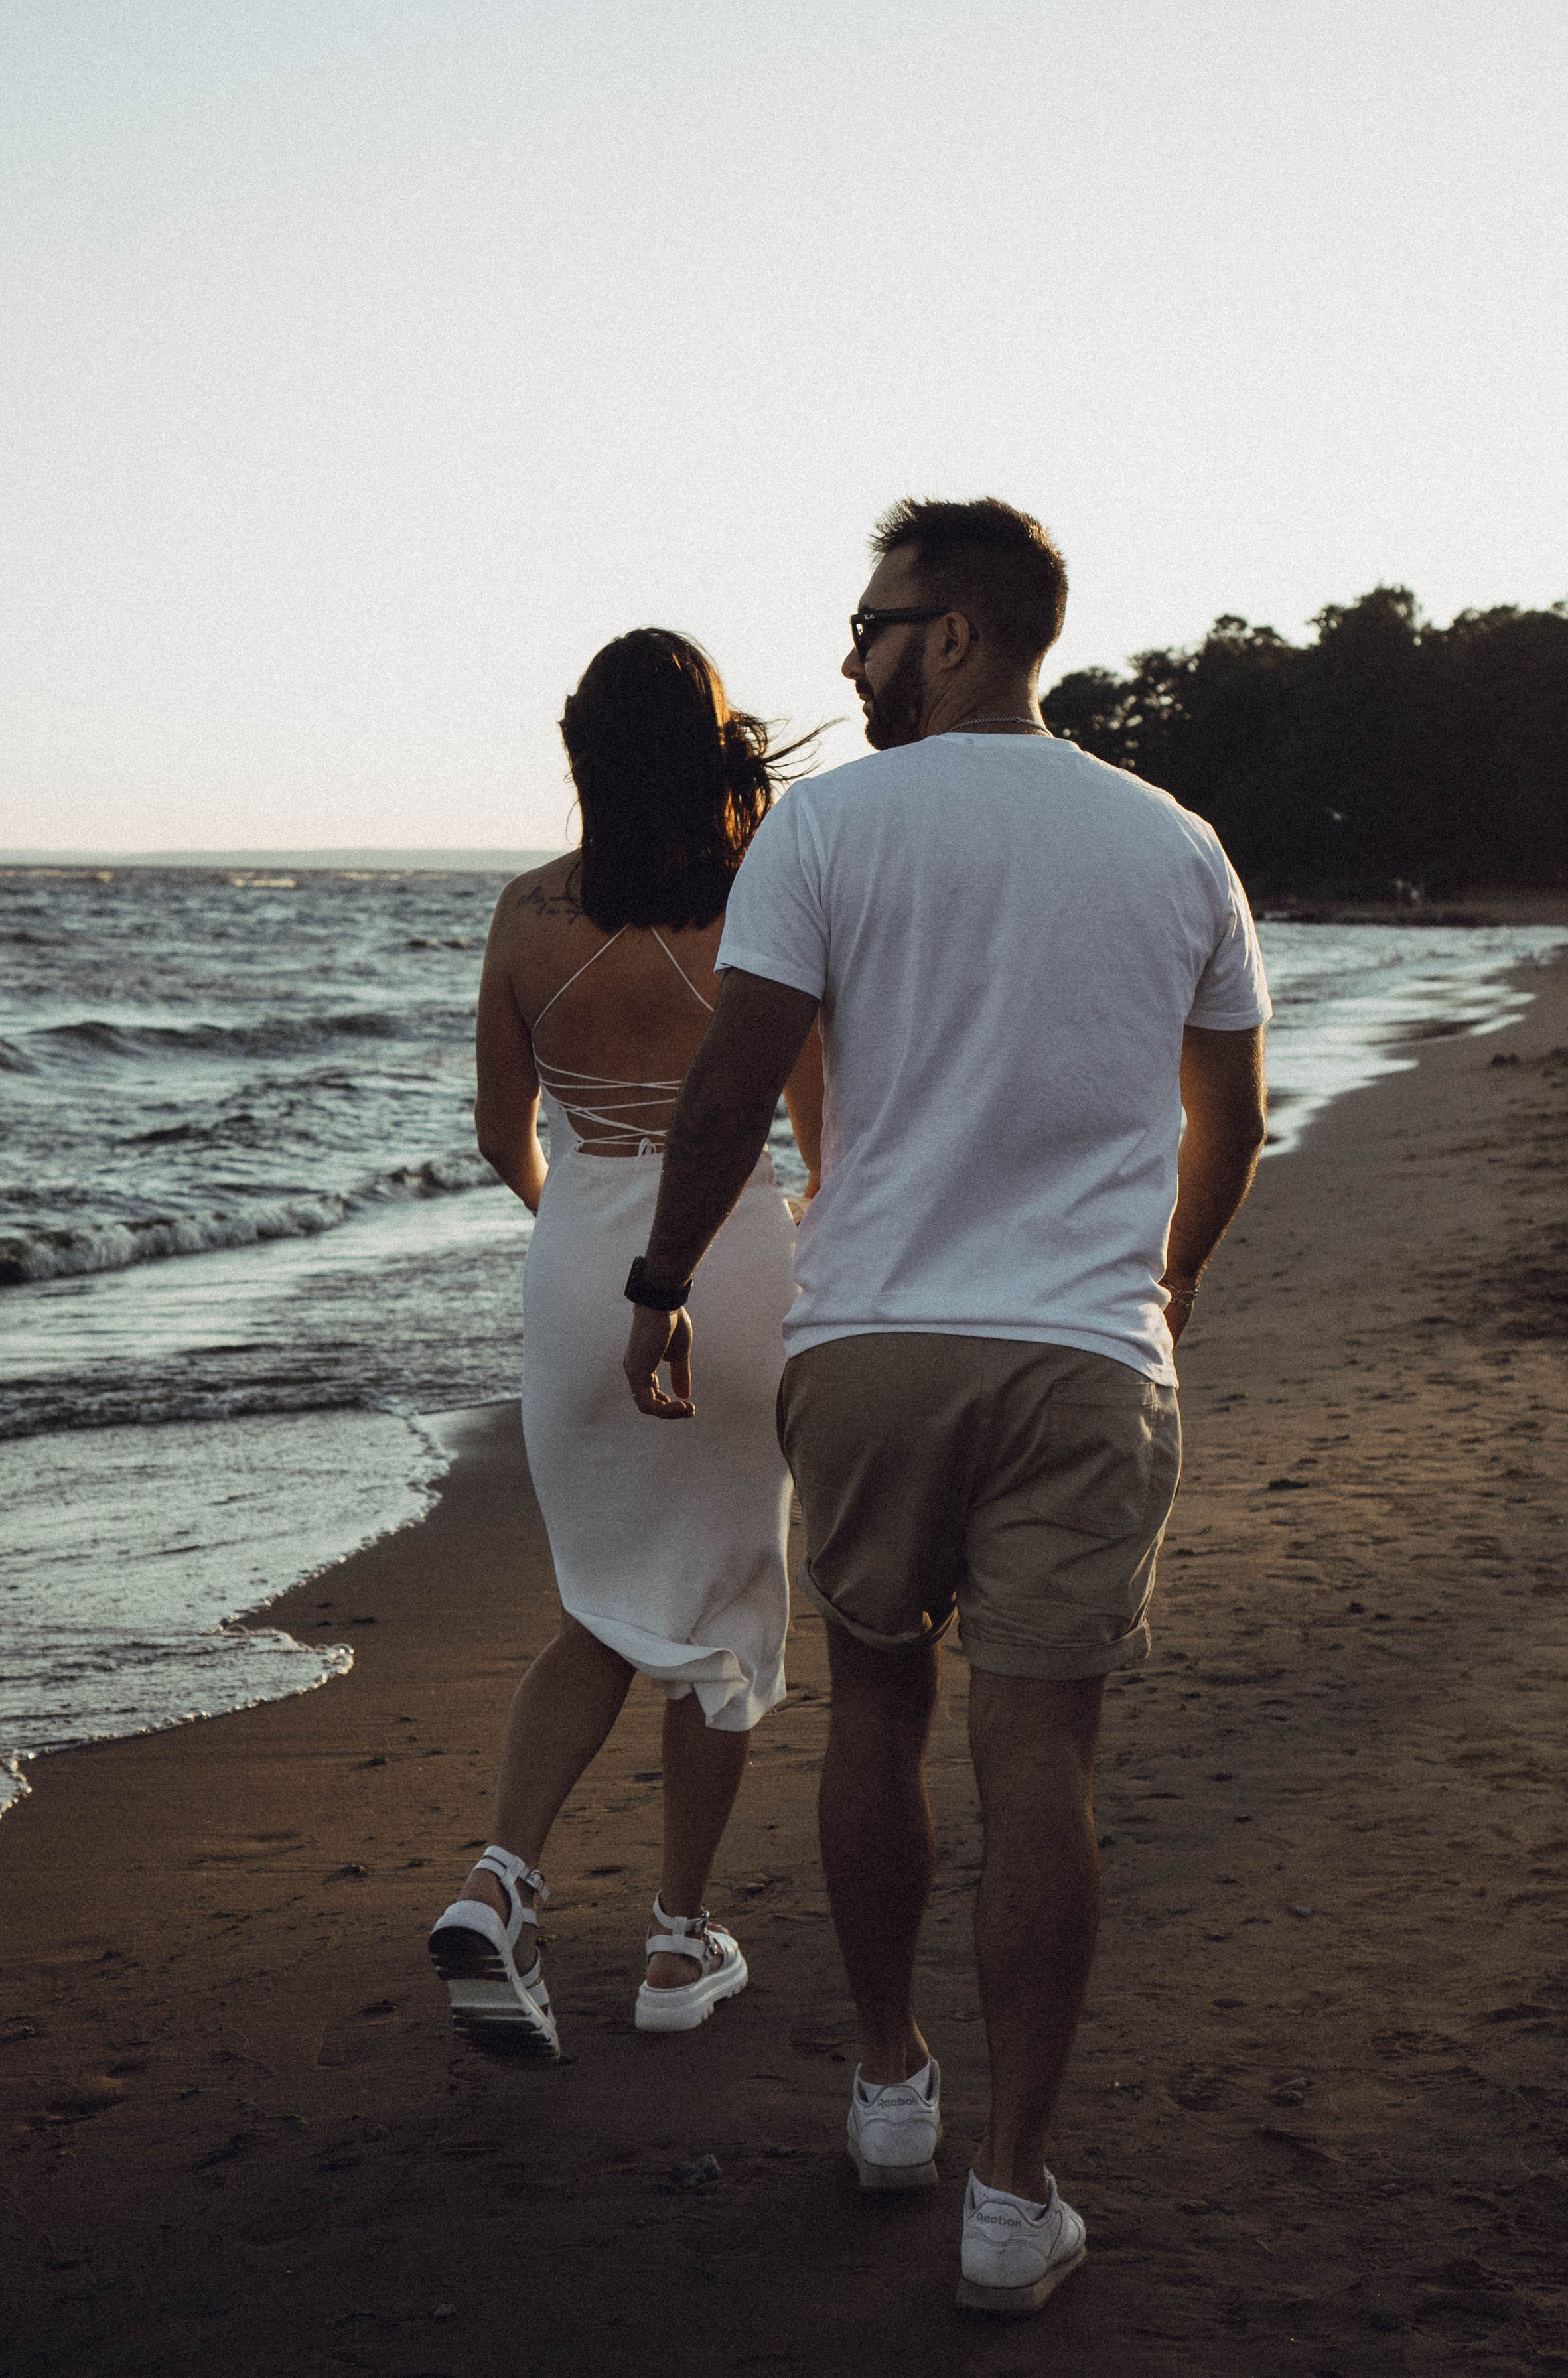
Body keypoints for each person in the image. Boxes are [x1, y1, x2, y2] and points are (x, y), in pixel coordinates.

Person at [622, 500, 1270, 2316]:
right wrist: (1169, 1280)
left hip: (878, 1341)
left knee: (876, 1718)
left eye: (875, 621)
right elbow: (1235, 1119)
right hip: (1081, 1355)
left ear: (965, 632)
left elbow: (740, 1083)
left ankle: (892, 2086)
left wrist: (660, 1284)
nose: (847, 654)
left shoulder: (828, 829)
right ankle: (1011, 2194)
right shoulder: (1177, 846)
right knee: (1044, 1756)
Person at [429, 628, 823, 2064]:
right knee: (723, 1611)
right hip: (734, 1263)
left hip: (583, 1268)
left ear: (581, 752)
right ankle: (674, 1942)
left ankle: (499, 1882)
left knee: (598, 1597)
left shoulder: (525, 916)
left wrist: (578, 1230)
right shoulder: (767, 905)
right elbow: (820, 1137)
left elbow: (497, 1134)